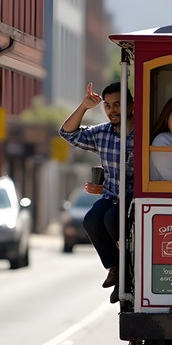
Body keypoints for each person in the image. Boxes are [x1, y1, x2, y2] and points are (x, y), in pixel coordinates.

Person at [59, 82, 135, 303]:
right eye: (108, 105)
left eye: (118, 105)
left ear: (131, 106)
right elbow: (67, 133)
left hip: (134, 198)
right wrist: (84, 107)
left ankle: (126, 272)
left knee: (112, 219)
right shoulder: (102, 133)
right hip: (112, 196)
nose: (112, 110)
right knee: (91, 219)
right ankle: (115, 268)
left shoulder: (143, 131)